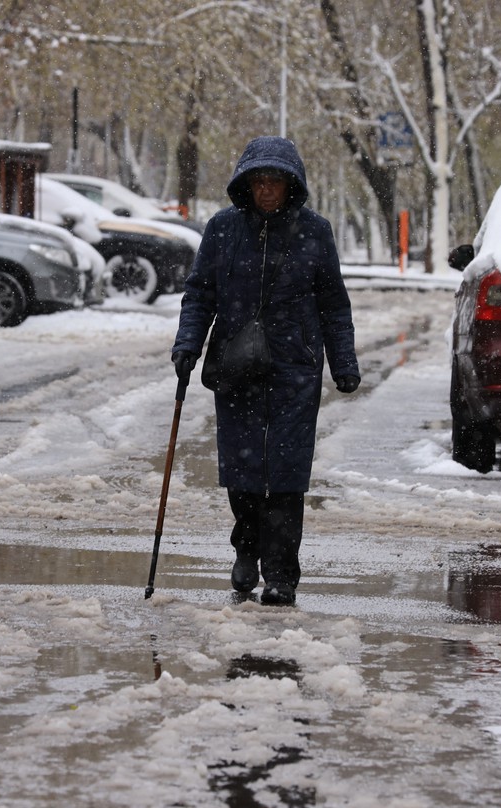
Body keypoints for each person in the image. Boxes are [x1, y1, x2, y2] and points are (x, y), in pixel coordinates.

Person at [171, 136, 360, 606]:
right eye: (259, 182)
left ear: (291, 184)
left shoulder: (314, 231)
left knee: (286, 471)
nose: (267, 190)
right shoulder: (222, 229)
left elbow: (333, 303)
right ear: (246, 185)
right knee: (243, 467)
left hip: (294, 365)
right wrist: (187, 345)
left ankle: (281, 574)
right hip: (236, 364)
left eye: (275, 181)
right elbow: (200, 293)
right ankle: (246, 547)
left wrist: (344, 363)